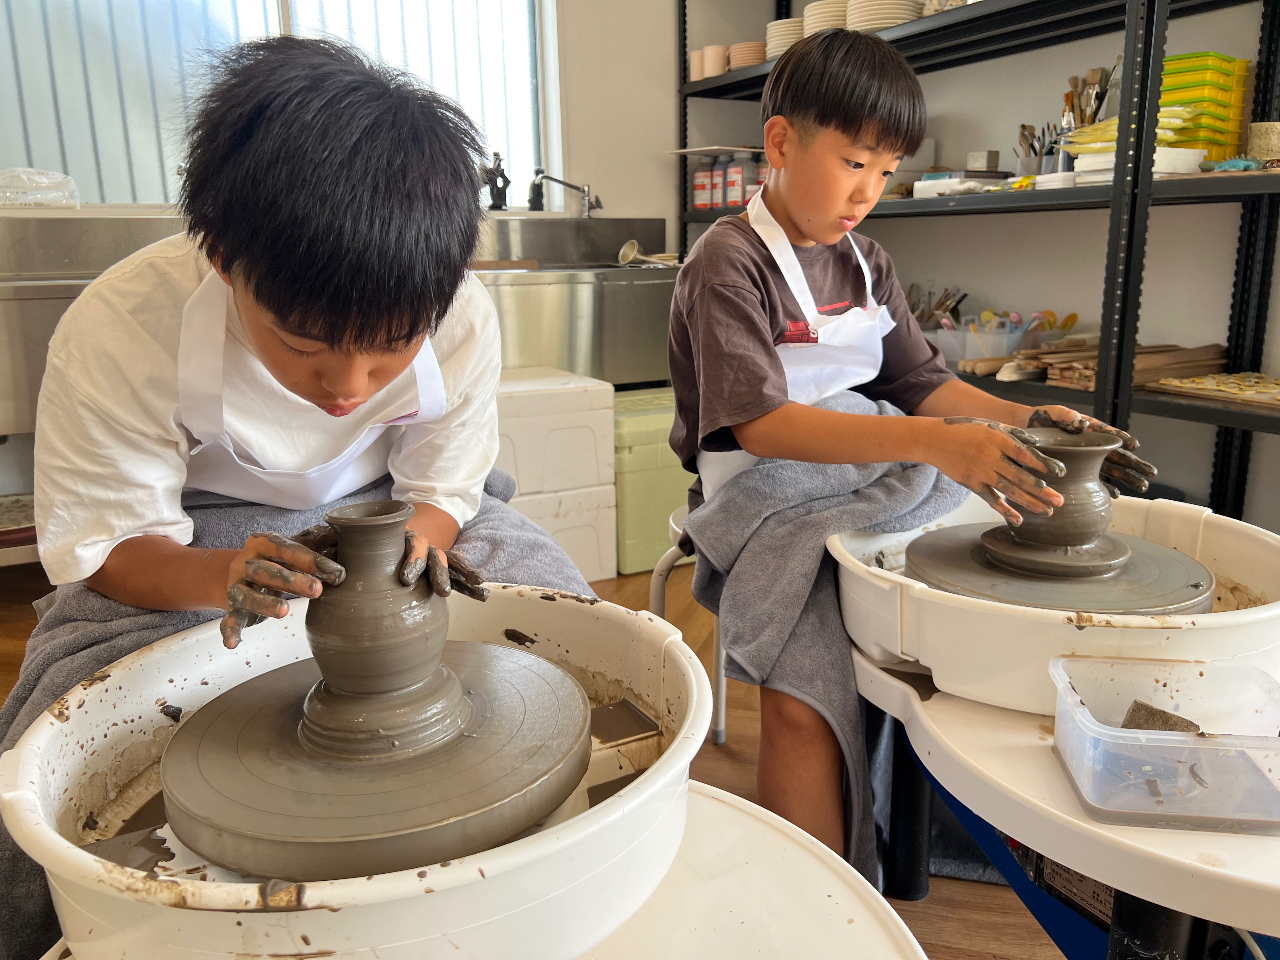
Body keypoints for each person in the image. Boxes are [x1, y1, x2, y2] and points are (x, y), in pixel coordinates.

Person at [0, 37, 590, 960]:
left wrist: (423, 541)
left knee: (557, 605)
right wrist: (222, 576)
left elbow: (443, 482)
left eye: (390, 347)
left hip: (390, 509)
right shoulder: (121, 327)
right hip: (196, 539)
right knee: (71, 719)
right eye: (306, 344)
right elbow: (112, 545)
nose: (350, 384)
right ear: (225, 258)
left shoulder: (457, 312)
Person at [667, 29, 1155, 879]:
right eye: (855, 162)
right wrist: (942, 446)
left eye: (886, 171)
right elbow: (765, 428)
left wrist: (1027, 421)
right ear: (781, 143)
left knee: (956, 632)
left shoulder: (868, 263)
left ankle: (943, 832)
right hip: (759, 492)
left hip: (868, 472)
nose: (870, 191)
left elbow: (923, 384)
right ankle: (817, 897)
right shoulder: (728, 262)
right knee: (806, 680)